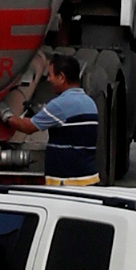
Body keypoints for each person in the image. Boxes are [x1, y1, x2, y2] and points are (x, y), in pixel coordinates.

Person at [29, 46, 101, 178]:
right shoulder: (89, 103)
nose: (48, 80)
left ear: (61, 77)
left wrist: (5, 114)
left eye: (50, 75)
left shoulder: (60, 105)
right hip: (87, 178)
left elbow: (27, 127)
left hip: (66, 182)